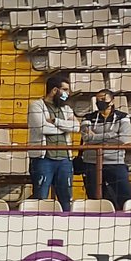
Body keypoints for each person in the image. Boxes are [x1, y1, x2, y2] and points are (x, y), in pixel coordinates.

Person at [26, 68, 80, 211]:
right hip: (43, 159)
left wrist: (55, 121)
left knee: (66, 197)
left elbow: (76, 127)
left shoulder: (66, 108)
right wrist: (65, 127)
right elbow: (43, 128)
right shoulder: (36, 105)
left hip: (65, 159)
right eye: (65, 90)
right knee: (41, 197)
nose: (67, 94)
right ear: (55, 90)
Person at [79, 86, 131, 209]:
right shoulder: (88, 117)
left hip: (115, 162)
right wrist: (112, 136)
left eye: (103, 99)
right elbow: (86, 138)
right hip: (91, 162)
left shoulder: (123, 117)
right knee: (95, 198)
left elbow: (123, 139)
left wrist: (96, 137)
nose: (100, 102)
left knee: (125, 197)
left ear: (112, 101)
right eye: (98, 100)